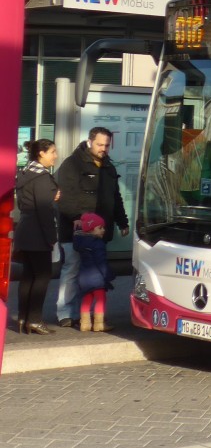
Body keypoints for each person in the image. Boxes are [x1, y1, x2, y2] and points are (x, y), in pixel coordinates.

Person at [55, 127, 129, 328]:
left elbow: (115, 197)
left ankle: (88, 314)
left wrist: (123, 222)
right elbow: (65, 199)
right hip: (74, 230)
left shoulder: (108, 167)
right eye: (99, 144)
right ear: (89, 142)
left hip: (99, 233)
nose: (103, 149)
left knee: (93, 275)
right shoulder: (72, 164)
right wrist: (80, 221)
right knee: (72, 269)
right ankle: (66, 312)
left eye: (106, 145)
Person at [12, 139, 61, 335]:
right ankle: (34, 319)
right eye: (52, 152)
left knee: (28, 276)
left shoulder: (26, 173)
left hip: (25, 231)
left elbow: (25, 204)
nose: (55, 156)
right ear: (41, 153)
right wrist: (51, 237)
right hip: (38, 234)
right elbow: (44, 210)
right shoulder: (41, 178)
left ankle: (23, 317)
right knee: (42, 276)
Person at [74, 212, 116, 333]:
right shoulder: (98, 244)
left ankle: (85, 324)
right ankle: (99, 324)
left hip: (84, 277)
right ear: (91, 229)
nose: (103, 230)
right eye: (100, 228)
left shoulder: (81, 242)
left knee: (86, 299)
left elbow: (76, 236)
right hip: (97, 277)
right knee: (101, 299)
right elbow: (101, 262)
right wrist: (107, 275)